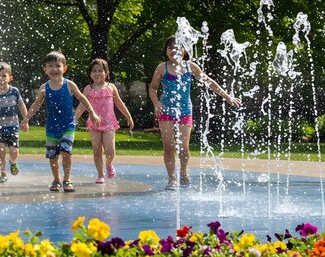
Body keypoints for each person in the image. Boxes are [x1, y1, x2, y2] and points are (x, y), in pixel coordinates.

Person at [149, 36, 242, 190]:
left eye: (178, 47)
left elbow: (209, 81)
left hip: (185, 110)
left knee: (184, 147)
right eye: (171, 47)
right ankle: (172, 178)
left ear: (185, 51)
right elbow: (152, 88)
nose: (175, 50)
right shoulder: (161, 68)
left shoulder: (190, 67)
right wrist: (157, 103)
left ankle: (183, 172)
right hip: (166, 110)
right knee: (168, 146)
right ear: (166, 51)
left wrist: (227, 97)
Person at [20, 51, 101, 192]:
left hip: (68, 125)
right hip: (52, 127)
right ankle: (56, 179)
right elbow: (36, 105)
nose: (54, 69)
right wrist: (26, 119)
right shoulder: (44, 88)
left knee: (66, 150)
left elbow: (82, 99)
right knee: (53, 155)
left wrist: (92, 113)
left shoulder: (69, 85)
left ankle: (67, 179)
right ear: (45, 69)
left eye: (57, 65)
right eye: (50, 66)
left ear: (64, 68)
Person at [75, 58, 134, 184]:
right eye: (94, 71)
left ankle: (109, 164)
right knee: (97, 150)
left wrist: (128, 116)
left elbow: (119, 103)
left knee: (110, 150)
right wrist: (74, 120)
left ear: (106, 73)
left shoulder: (111, 87)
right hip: (94, 124)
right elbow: (82, 106)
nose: (97, 73)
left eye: (100, 70)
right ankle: (100, 174)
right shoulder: (88, 89)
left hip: (108, 124)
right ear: (90, 73)